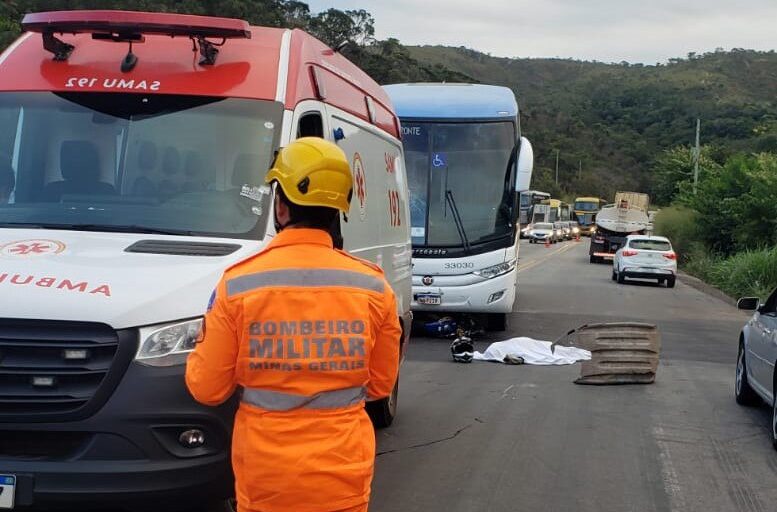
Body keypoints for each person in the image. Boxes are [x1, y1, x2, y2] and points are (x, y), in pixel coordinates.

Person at [185, 137, 401, 512]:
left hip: (266, 474)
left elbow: (207, 389)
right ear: (339, 208)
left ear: (281, 206)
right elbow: (380, 385)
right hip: (342, 473)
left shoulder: (238, 284)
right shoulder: (373, 287)